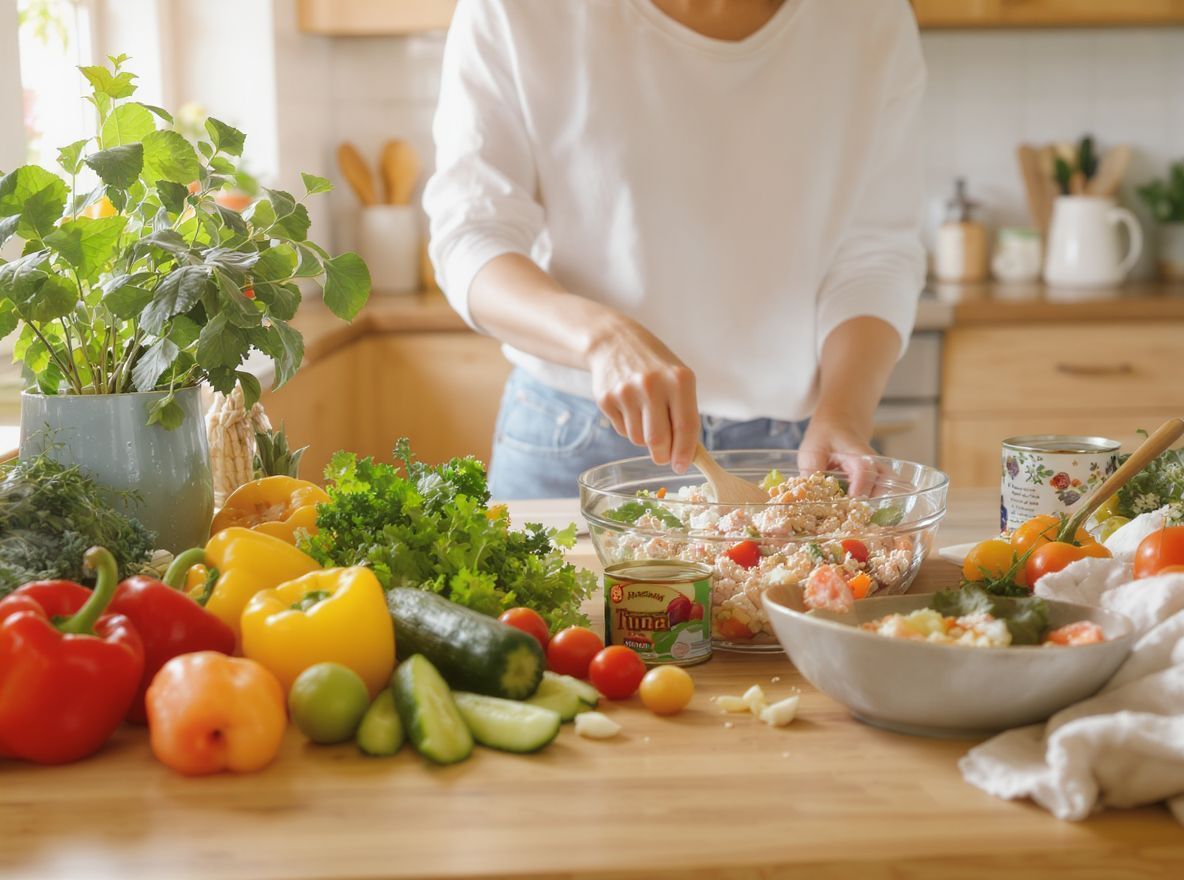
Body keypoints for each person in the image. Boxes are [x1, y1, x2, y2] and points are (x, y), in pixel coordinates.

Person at [423, 0, 926, 499]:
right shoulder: (514, 10)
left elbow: (876, 253)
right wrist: (603, 338)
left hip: (790, 450)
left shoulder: (870, 16)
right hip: (572, 435)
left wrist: (845, 413)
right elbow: (472, 235)